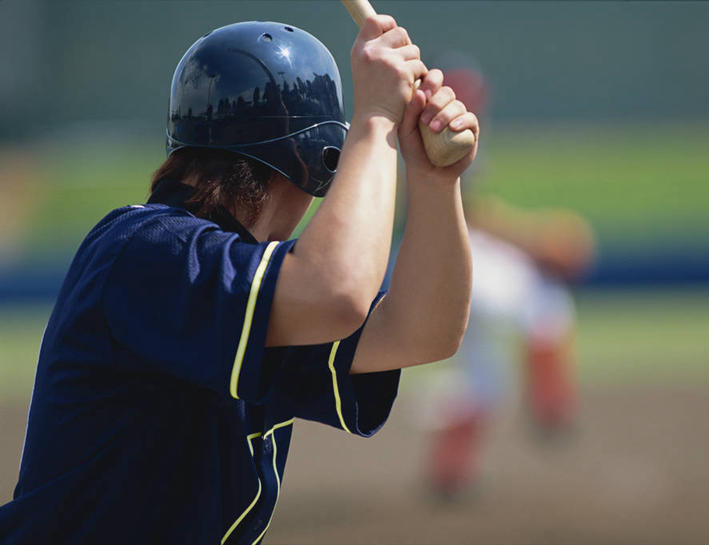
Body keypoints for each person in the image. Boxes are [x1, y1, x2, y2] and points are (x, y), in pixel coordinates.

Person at [0, 15, 476, 544]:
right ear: (318, 162)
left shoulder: (247, 284)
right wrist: (376, 122)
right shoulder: (145, 250)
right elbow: (337, 292)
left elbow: (421, 331)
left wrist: (434, 182)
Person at [408, 61, 595, 498]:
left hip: (440, 256)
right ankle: (552, 408)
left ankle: (450, 473)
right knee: (544, 300)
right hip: (449, 257)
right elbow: (470, 214)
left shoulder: (423, 131)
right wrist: (536, 239)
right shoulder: (442, 132)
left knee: (485, 375)